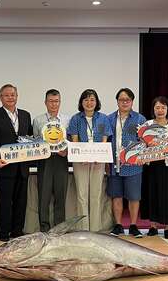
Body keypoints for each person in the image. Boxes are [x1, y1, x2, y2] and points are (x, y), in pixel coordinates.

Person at [0, 84, 33, 242]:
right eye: (7, 95)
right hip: (4, 166)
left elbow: (30, 139)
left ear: (17, 96)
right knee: (5, 201)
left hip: (22, 167)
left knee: (21, 201)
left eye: (13, 95)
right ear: (1, 98)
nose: (10, 97)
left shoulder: (25, 115)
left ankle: (17, 231)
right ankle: (4, 233)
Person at [67, 89, 112, 231]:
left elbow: (105, 141)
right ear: (81, 102)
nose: (89, 102)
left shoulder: (103, 118)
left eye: (92, 99)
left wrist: (100, 157)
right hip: (80, 161)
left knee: (96, 193)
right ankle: (83, 229)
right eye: (86, 99)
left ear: (97, 102)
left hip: (99, 161)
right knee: (81, 195)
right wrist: (82, 157)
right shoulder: (75, 118)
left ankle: (95, 229)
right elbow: (74, 141)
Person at [107, 88, 146, 238]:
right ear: (117, 101)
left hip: (133, 166)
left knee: (134, 196)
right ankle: (118, 225)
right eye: (121, 100)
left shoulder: (140, 119)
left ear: (132, 101)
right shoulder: (108, 119)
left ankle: (133, 225)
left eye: (127, 100)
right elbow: (105, 139)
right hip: (113, 164)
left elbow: (144, 141)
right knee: (116, 195)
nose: (124, 102)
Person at [141, 96, 168, 239]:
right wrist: (147, 146)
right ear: (153, 109)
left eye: (163, 107)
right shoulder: (147, 125)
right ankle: (153, 226)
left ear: (167, 109)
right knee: (153, 194)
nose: (160, 110)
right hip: (152, 165)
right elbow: (141, 146)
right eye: (157, 107)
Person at [32, 89, 70, 232]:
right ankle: (44, 229)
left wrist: (66, 151)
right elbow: (35, 141)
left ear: (60, 102)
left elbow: (71, 141)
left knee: (61, 195)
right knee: (44, 196)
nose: (54, 104)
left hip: (61, 160)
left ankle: (59, 229)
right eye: (51, 101)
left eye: (56, 101)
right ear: (45, 102)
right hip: (45, 161)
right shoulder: (38, 120)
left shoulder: (67, 119)